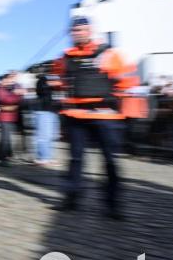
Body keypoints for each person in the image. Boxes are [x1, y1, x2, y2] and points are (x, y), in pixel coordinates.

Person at [52, 16, 138, 219]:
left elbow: (128, 83)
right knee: (75, 159)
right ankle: (71, 198)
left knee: (109, 161)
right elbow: (57, 84)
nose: (78, 33)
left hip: (106, 116)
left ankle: (113, 205)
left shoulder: (109, 54)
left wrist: (124, 111)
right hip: (75, 115)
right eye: (74, 30)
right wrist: (60, 106)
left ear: (90, 31)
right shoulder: (63, 59)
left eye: (82, 29)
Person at [33, 66, 61, 166]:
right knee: (43, 136)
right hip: (43, 111)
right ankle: (42, 158)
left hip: (52, 111)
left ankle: (48, 157)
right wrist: (52, 83)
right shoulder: (41, 80)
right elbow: (41, 90)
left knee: (50, 136)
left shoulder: (54, 82)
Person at [0, 71, 23, 165]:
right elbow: (7, 100)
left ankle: (5, 156)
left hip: (10, 117)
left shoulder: (7, 89)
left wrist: (17, 94)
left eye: (10, 80)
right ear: (2, 80)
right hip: (4, 117)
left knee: (7, 138)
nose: (9, 82)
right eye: (7, 80)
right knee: (5, 139)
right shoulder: (0, 90)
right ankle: (3, 159)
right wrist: (17, 95)